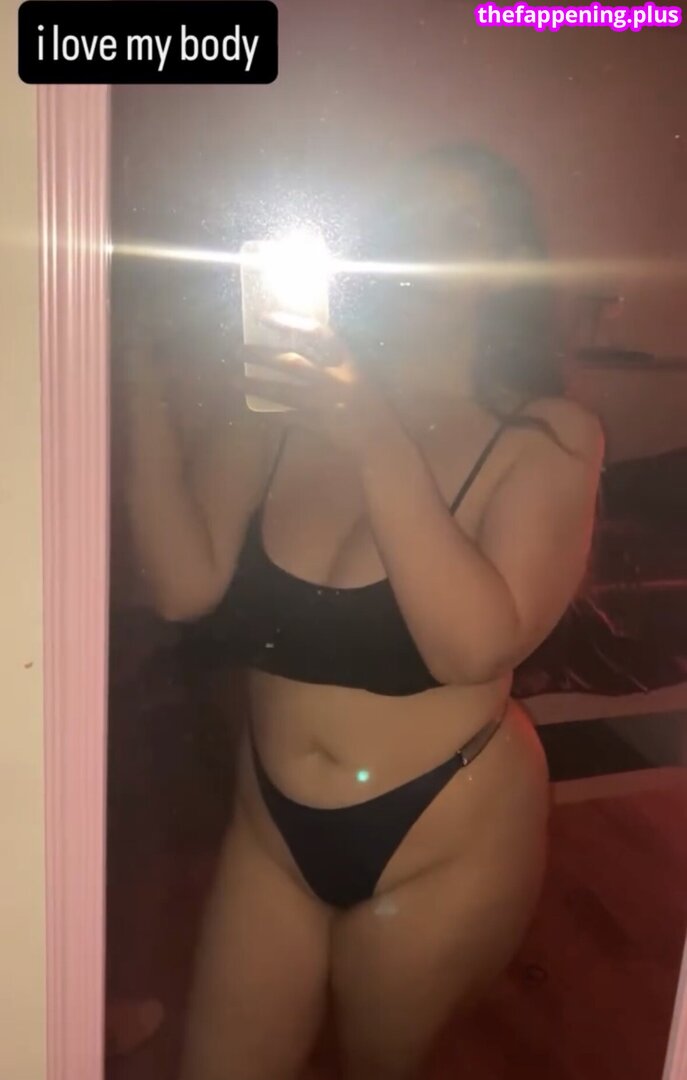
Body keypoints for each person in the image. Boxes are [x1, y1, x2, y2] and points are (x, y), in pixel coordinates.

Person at [123, 144, 604, 1080]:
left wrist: (369, 431)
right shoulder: (273, 410)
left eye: (459, 226)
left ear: (505, 268)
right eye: (406, 219)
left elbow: (470, 647)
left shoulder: (548, 437)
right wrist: (133, 363)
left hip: (445, 834)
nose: (424, 243)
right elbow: (185, 586)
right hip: (268, 826)